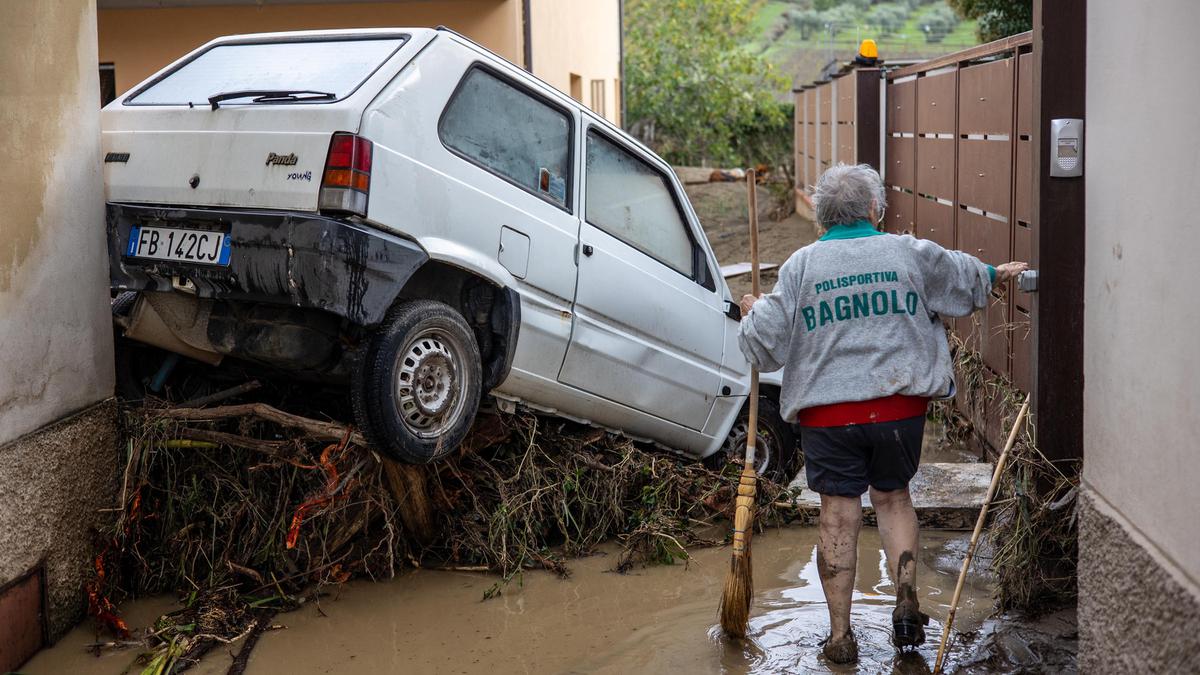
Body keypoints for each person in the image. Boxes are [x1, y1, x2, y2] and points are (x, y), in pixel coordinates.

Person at [737, 163, 1028, 664]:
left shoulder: (801, 267)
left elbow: (763, 347)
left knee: (838, 513)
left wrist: (750, 315)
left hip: (828, 418)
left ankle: (838, 636)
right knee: (893, 499)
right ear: (874, 210)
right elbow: (963, 277)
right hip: (899, 410)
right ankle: (906, 599)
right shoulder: (907, 252)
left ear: (822, 218)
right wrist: (995, 275)